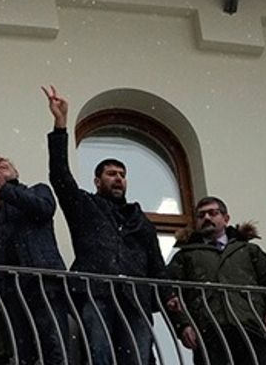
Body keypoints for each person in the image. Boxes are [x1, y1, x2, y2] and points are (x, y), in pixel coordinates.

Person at [43, 85, 167, 365]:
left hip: (136, 300)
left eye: (122, 174)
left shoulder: (140, 220)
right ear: (97, 181)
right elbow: (60, 177)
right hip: (96, 293)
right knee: (100, 356)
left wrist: (169, 305)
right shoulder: (86, 207)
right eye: (111, 174)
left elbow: (157, 265)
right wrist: (60, 125)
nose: (119, 178)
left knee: (137, 358)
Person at [0, 153, 69, 365]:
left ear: (15, 172)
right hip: (9, 291)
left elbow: (43, 208)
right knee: (21, 354)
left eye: (2, 164)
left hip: (42, 283)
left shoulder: (37, 190)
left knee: (54, 348)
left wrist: (4, 189)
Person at [167, 195, 266, 365]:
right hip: (209, 333)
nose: (206, 218)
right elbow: (171, 293)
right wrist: (183, 325)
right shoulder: (185, 256)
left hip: (251, 330)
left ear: (226, 218)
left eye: (212, 213)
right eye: (201, 216)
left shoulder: (248, 250)